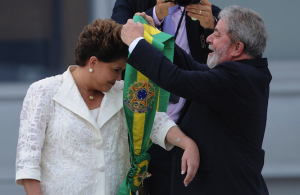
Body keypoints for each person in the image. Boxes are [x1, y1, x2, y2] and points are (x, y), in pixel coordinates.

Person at [15, 18, 200, 195]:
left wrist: (187, 144)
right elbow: (27, 163)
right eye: (116, 70)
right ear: (93, 62)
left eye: (122, 71)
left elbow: (156, 122)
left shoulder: (122, 91)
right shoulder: (43, 91)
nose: (119, 78)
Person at [121, 5, 271, 195]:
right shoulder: (243, 73)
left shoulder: (237, 77)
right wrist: (155, 35)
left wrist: (136, 43)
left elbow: (177, 79)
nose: (208, 38)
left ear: (237, 48)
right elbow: (191, 68)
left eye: (216, 34)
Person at [112, 0, 220, 194]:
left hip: (188, 129)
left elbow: (222, 65)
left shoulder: (202, 8)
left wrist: (212, 27)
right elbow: (114, 35)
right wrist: (154, 15)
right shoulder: (131, 2)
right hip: (141, 124)